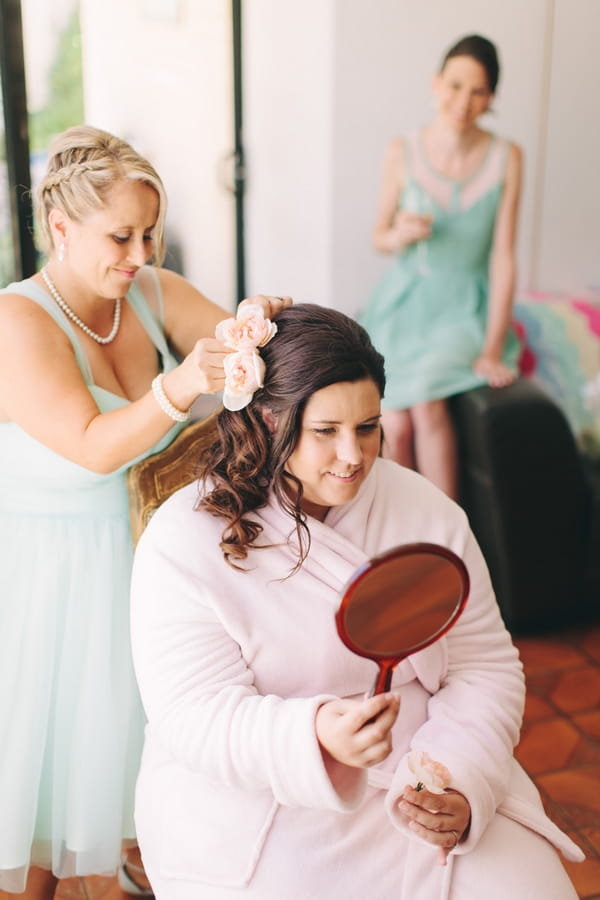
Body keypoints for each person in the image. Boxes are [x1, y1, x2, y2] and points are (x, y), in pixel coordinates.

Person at [130, 303, 582, 899]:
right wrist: (315, 735)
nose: (354, 456)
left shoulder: (425, 511)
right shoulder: (183, 538)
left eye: (368, 427)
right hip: (267, 796)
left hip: (420, 768)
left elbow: (484, 664)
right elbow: (194, 714)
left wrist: (459, 778)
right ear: (267, 420)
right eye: (325, 432)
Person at [0, 124, 290, 900]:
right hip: (52, 593)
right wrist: (181, 387)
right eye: (120, 236)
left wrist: (265, 323)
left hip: (149, 568)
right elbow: (94, 445)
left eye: (150, 233)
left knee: (142, 792)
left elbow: (234, 340)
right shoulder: (16, 321)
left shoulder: (152, 294)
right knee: (35, 828)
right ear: (60, 228)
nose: (140, 254)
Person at [359, 34, 522, 499]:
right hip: (404, 302)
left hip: (465, 305)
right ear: (436, 84)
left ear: (490, 98)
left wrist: (492, 348)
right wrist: (401, 233)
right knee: (395, 421)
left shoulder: (506, 156)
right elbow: (379, 237)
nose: (463, 101)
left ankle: (449, 536)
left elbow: (504, 256)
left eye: (477, 92)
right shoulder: (402, 151)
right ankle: (406, 539)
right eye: (454, 86)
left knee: (427, 399)